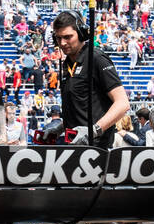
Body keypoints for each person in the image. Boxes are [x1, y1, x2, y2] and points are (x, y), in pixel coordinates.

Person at [52, 11, 129, 148]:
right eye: (58, 38)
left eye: (68, 37)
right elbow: (81, 111)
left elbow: (123, 103)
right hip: (73, 147)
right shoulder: (66, 64)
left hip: (97, 149)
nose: (62, 43)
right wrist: (59, 128)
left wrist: (94, 130)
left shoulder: (97, 58)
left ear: (82, 34)